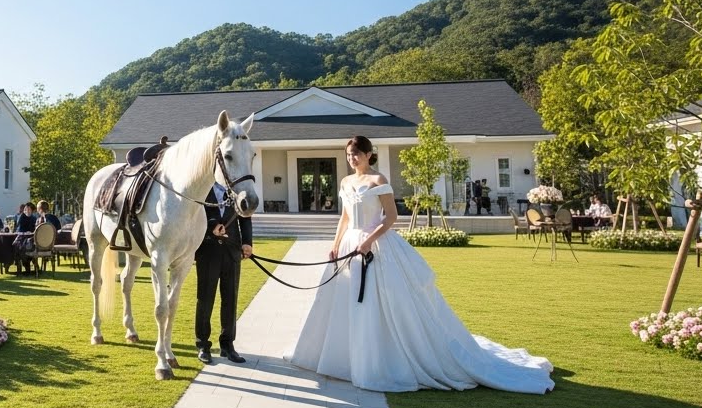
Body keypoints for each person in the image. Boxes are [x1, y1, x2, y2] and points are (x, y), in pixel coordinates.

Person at [285, 136, 553, 394]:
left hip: (375, 246)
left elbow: (391, 217)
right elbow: (344, 218)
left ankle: (379, 360)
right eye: (348, 154)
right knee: (344, 301)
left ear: (368, 154)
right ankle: (345, 359)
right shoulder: (345, 181)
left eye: (356, 153)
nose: (352, 158)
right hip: (348, 246)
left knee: (380, 303)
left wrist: (368, 241)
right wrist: (335, 244)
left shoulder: (379, 180)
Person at [195, 181, 253, 364]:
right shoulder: (201, 187)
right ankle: (203, 345)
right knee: (205, 299)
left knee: (230, 299)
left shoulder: (237, 190)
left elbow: (245, 217)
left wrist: (247, 242)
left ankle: (227, 345)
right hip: (208, 250)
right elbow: (195, 215)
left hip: (232, 252)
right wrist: (212, 227)